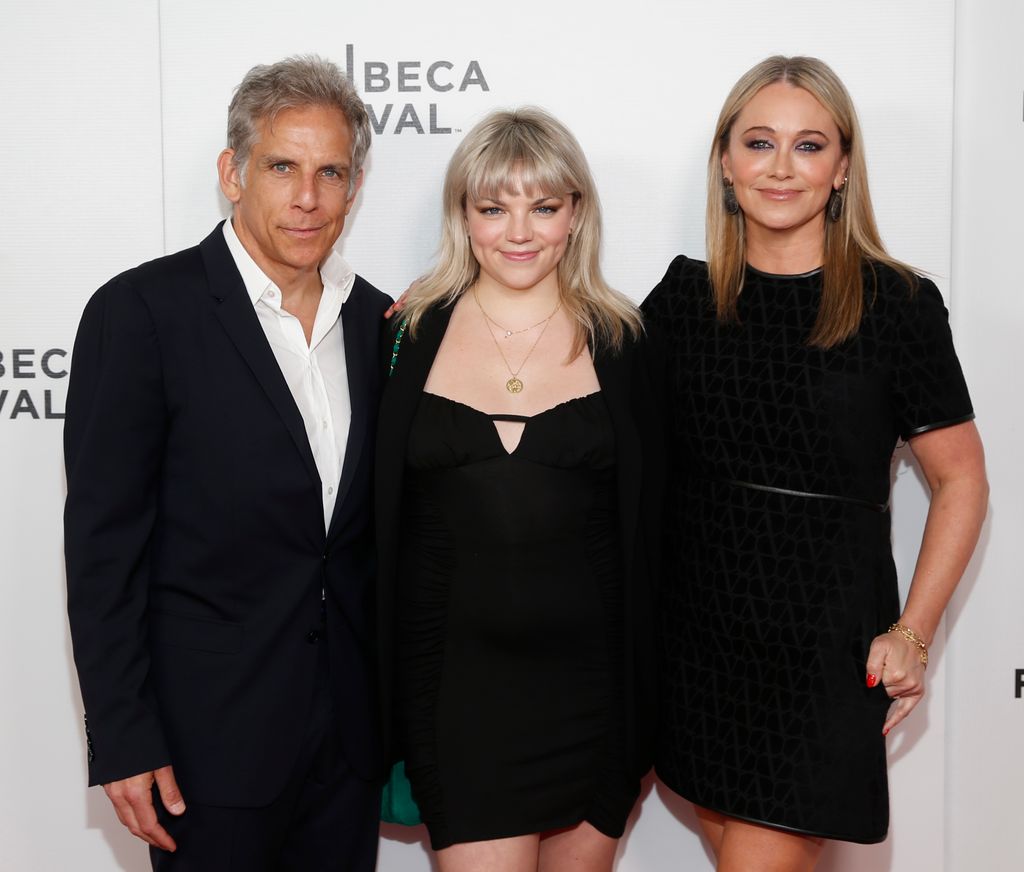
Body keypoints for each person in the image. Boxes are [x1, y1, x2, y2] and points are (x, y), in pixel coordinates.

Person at [641, 56, 988, 871]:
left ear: (841, 169)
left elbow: (962, 481)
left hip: (820, 649)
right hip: (696, 639)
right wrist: (450, 305)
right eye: (759, 142)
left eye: (808, 146)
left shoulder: (897, 305)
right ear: (726, 162)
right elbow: (572, 381)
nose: (781, 167)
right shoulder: (682, 302)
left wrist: (914, 632)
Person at [63, 55, 391, 871]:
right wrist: (123, 736)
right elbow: (104, 552)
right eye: (283, 166)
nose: (308, 197)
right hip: (202, 749)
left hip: (348, 747)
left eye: (331, 172)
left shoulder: (381, 326)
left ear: (354, 187)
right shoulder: (140, 313)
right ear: (233, 173)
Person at [375, 107, 663, 872]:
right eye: (493, 207)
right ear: (462, 217)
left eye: (544, 206)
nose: (519, 231)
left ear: (576, 214)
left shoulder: (625, 340)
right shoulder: (405, 334)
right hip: (456, 698)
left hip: (594, 698)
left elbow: (657, 524)